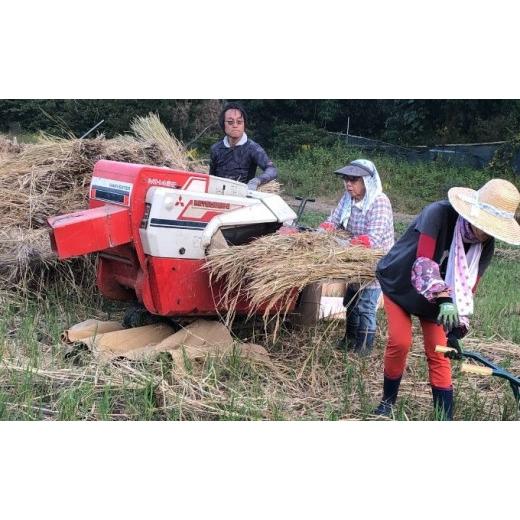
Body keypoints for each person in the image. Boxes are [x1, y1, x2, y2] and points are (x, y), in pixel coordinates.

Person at [374, 178, 520, 420]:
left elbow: (468, 289)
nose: (485, 233)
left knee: (440, 353)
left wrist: (455, 330)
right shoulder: (438, 214)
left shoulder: (486, 246)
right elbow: (423, 262)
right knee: (401, 342)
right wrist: (444, 299)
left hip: (439, 301)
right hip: (400, 282)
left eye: (492, 228)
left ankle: (445, 418)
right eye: (485, 224)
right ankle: (387, 403)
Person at [318, 159, 394, 356]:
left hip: (376, 261)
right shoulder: (348, 198)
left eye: (354, 180)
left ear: (367, 181)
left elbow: (373, 239)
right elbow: (334, 221)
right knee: (351, 301)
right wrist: (319, 234)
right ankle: (349, 339)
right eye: (346, 179)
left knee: (366, 305)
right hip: (354, 258)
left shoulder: (379, 202)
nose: (348, 184)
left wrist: (343, 246)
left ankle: (363, 348)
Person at [209, 102, 278, 191]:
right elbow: (211, 177)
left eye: (239, 122)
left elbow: (272, 169)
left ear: (244, 124)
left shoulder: (253, 148)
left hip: (243, 198)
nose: (235, 125)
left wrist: (256, 181)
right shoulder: (216, 149)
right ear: (223, 125)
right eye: (230, 122)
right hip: (219, 196)